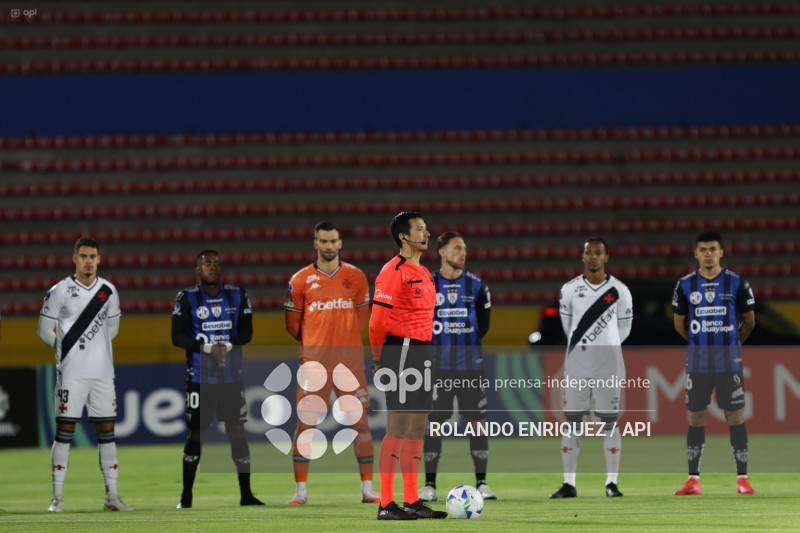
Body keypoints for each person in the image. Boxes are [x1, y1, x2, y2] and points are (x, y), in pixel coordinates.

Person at [284, 221, 380, 504]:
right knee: (305, 427)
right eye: (323, 241)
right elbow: (293, 326)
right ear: (315, 243)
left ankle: (367, 490)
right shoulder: (300, 280)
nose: (328, 246)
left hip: (349, 364)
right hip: (314, 365)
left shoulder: (357, 277)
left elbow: (362, 321)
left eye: (333, 241)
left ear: (340, 243)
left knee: (360, 424)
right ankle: (300, 492)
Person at [37, 237, 132, 512]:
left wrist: (93, 351)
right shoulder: (59, 291)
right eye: (83, 256)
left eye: (93, 256)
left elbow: (112, 330)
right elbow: (44, 331)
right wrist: (66, 351)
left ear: (99, 259)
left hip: (102, 375)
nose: (88, 260)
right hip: (71, 374)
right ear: (74, 259)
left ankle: (112, 497)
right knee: (65, 432)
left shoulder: (109, 291)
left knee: (107, 433)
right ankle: (57, 498)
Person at [369, 211, 447, 520]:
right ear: (404, 236)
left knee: (417, 426)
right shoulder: (392, 271)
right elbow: (376, 323)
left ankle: (412, 500)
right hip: (400, 351)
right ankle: (386, 504)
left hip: (422, 352)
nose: (427, 233)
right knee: (398, 426)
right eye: (419, 229)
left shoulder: (424, 271)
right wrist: (378, 360)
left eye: (426, 228)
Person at [172, 250, 263, 508]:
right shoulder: (187, 298)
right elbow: (177, 337)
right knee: (197, 434)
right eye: (206, 263)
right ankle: (186, 497)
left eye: (216, 263)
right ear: (197, 269)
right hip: (200, 378)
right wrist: (210, 349)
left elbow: (247, 332)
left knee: (237, 432)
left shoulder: (237, 294)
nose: (212, 267)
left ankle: (246, 494)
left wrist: (228, 346)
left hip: (231, 379)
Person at [672, 230, 756, 496]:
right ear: (695, 253)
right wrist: (700, 345)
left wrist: (731, 344)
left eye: (712, 249)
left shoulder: (737, 283)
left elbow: (749, 320)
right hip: (698, 363)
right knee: (696, 417)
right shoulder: (685, 284)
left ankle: (742, 478)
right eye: (703, 249)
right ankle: (692, 480)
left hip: (728, 361)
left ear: (721, 252)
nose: (708, 254)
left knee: (735, 416)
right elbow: (679, 324)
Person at [550, 237, 633, 499]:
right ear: (583, 257)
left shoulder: (620, 291)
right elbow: (568, 326)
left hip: (608, 366)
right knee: (572, 423)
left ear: (607, 257)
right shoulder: (570, 289)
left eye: (598, 253)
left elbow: (624, 329)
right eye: (589, 253)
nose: (594, 257)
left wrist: (604, 350)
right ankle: (569, 484)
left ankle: (611, 483)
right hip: (577, 364)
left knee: (610, 423)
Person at [418, 232, 497, 502]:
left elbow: (484, 326)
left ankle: (482, 483)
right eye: (457, 248)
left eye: (465, 248)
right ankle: (429, 485)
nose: (463, 253)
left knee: (477, 423)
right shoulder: (427, 283)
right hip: (438, 368)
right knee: (434, 424)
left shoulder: (477, 285)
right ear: (441, 251)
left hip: (470, 368)